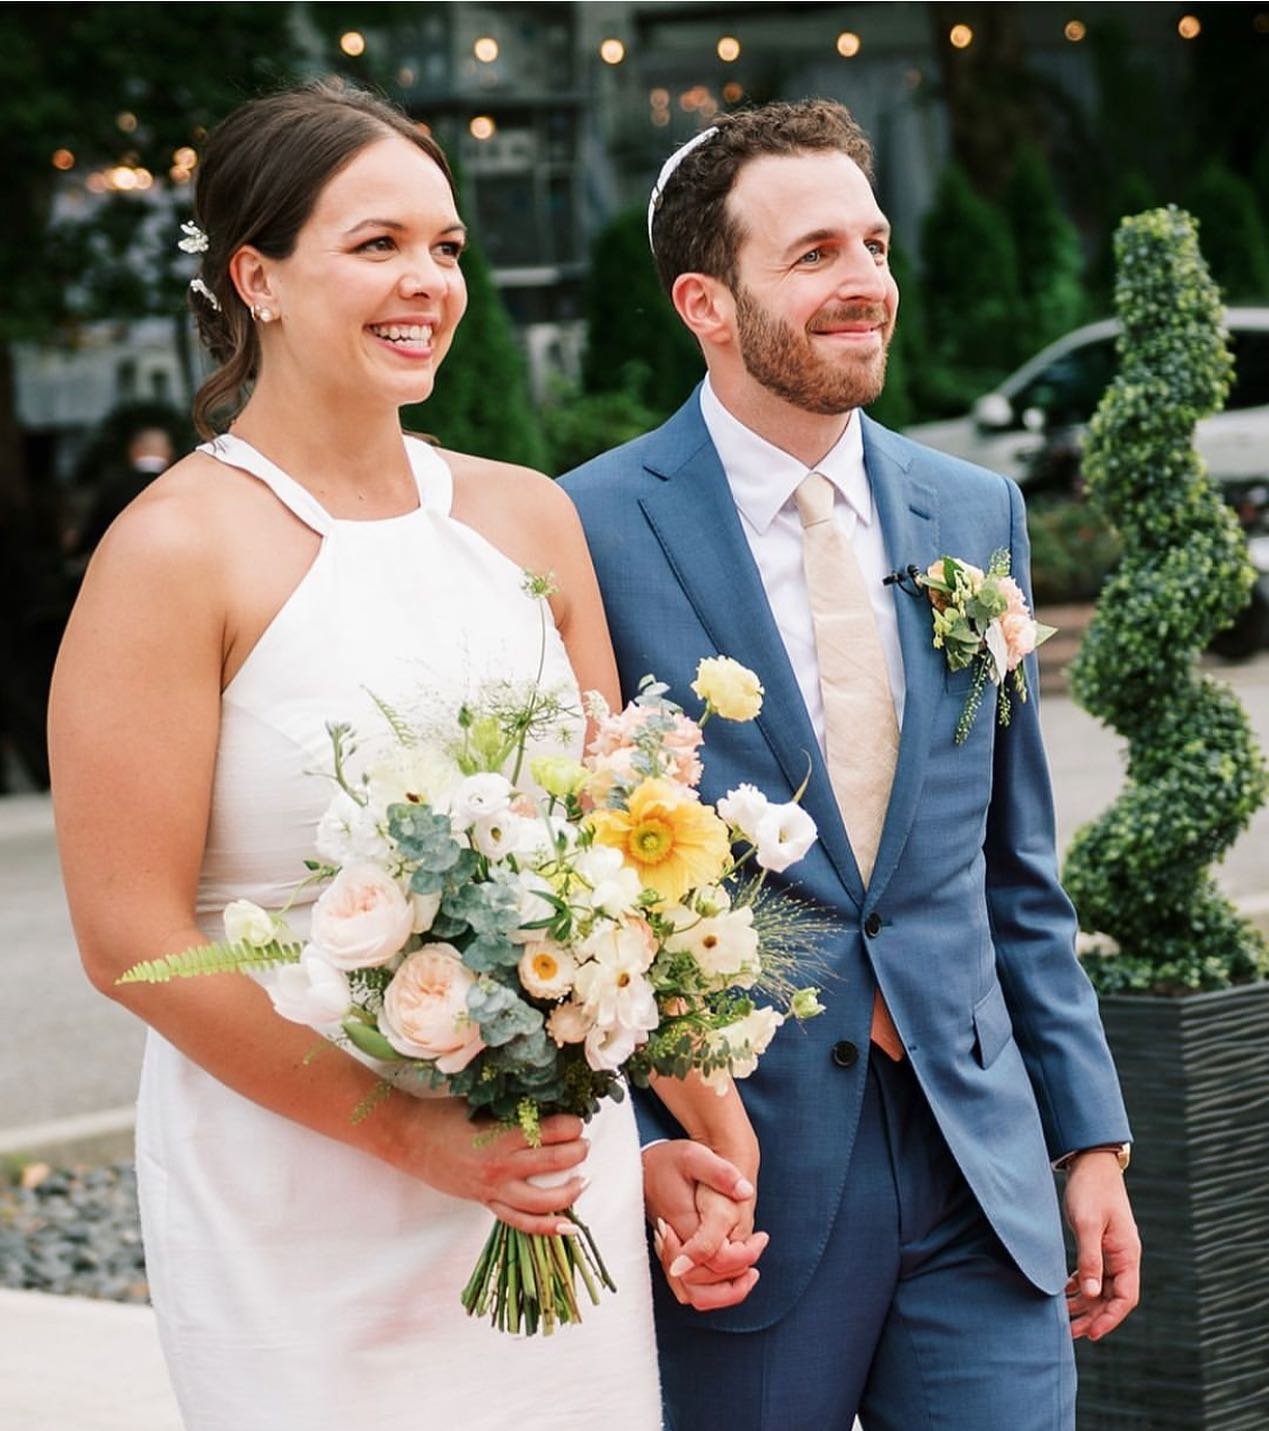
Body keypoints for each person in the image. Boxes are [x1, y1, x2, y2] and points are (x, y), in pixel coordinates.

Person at [49, 79, 756, 1430]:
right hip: (300, 1209)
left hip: (550, 1178)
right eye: (376, 244)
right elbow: (128, 936)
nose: (427, 281)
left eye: (444, 248)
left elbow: (619, 854)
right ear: (255, 275)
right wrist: (413, 1134)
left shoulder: (526, 517)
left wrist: (687, 1121)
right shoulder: (175, 550)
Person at [561, 100, 1140, 1430]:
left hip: (976, 1164)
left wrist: (1086, 1135)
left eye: (874, 243)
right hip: (744, 1188)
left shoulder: (971, 509)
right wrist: (651, 1158)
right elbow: (576, 891)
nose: (867, 281)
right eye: (814, 251)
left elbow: (1015, 868)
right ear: (706, 300)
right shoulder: (587, 525)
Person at [72, 423, 175, 559]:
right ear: (168, 452)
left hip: (120, 563)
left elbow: (96, 530)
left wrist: (76, 550)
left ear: (133, 450)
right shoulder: (179, 486)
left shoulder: (113, 486)